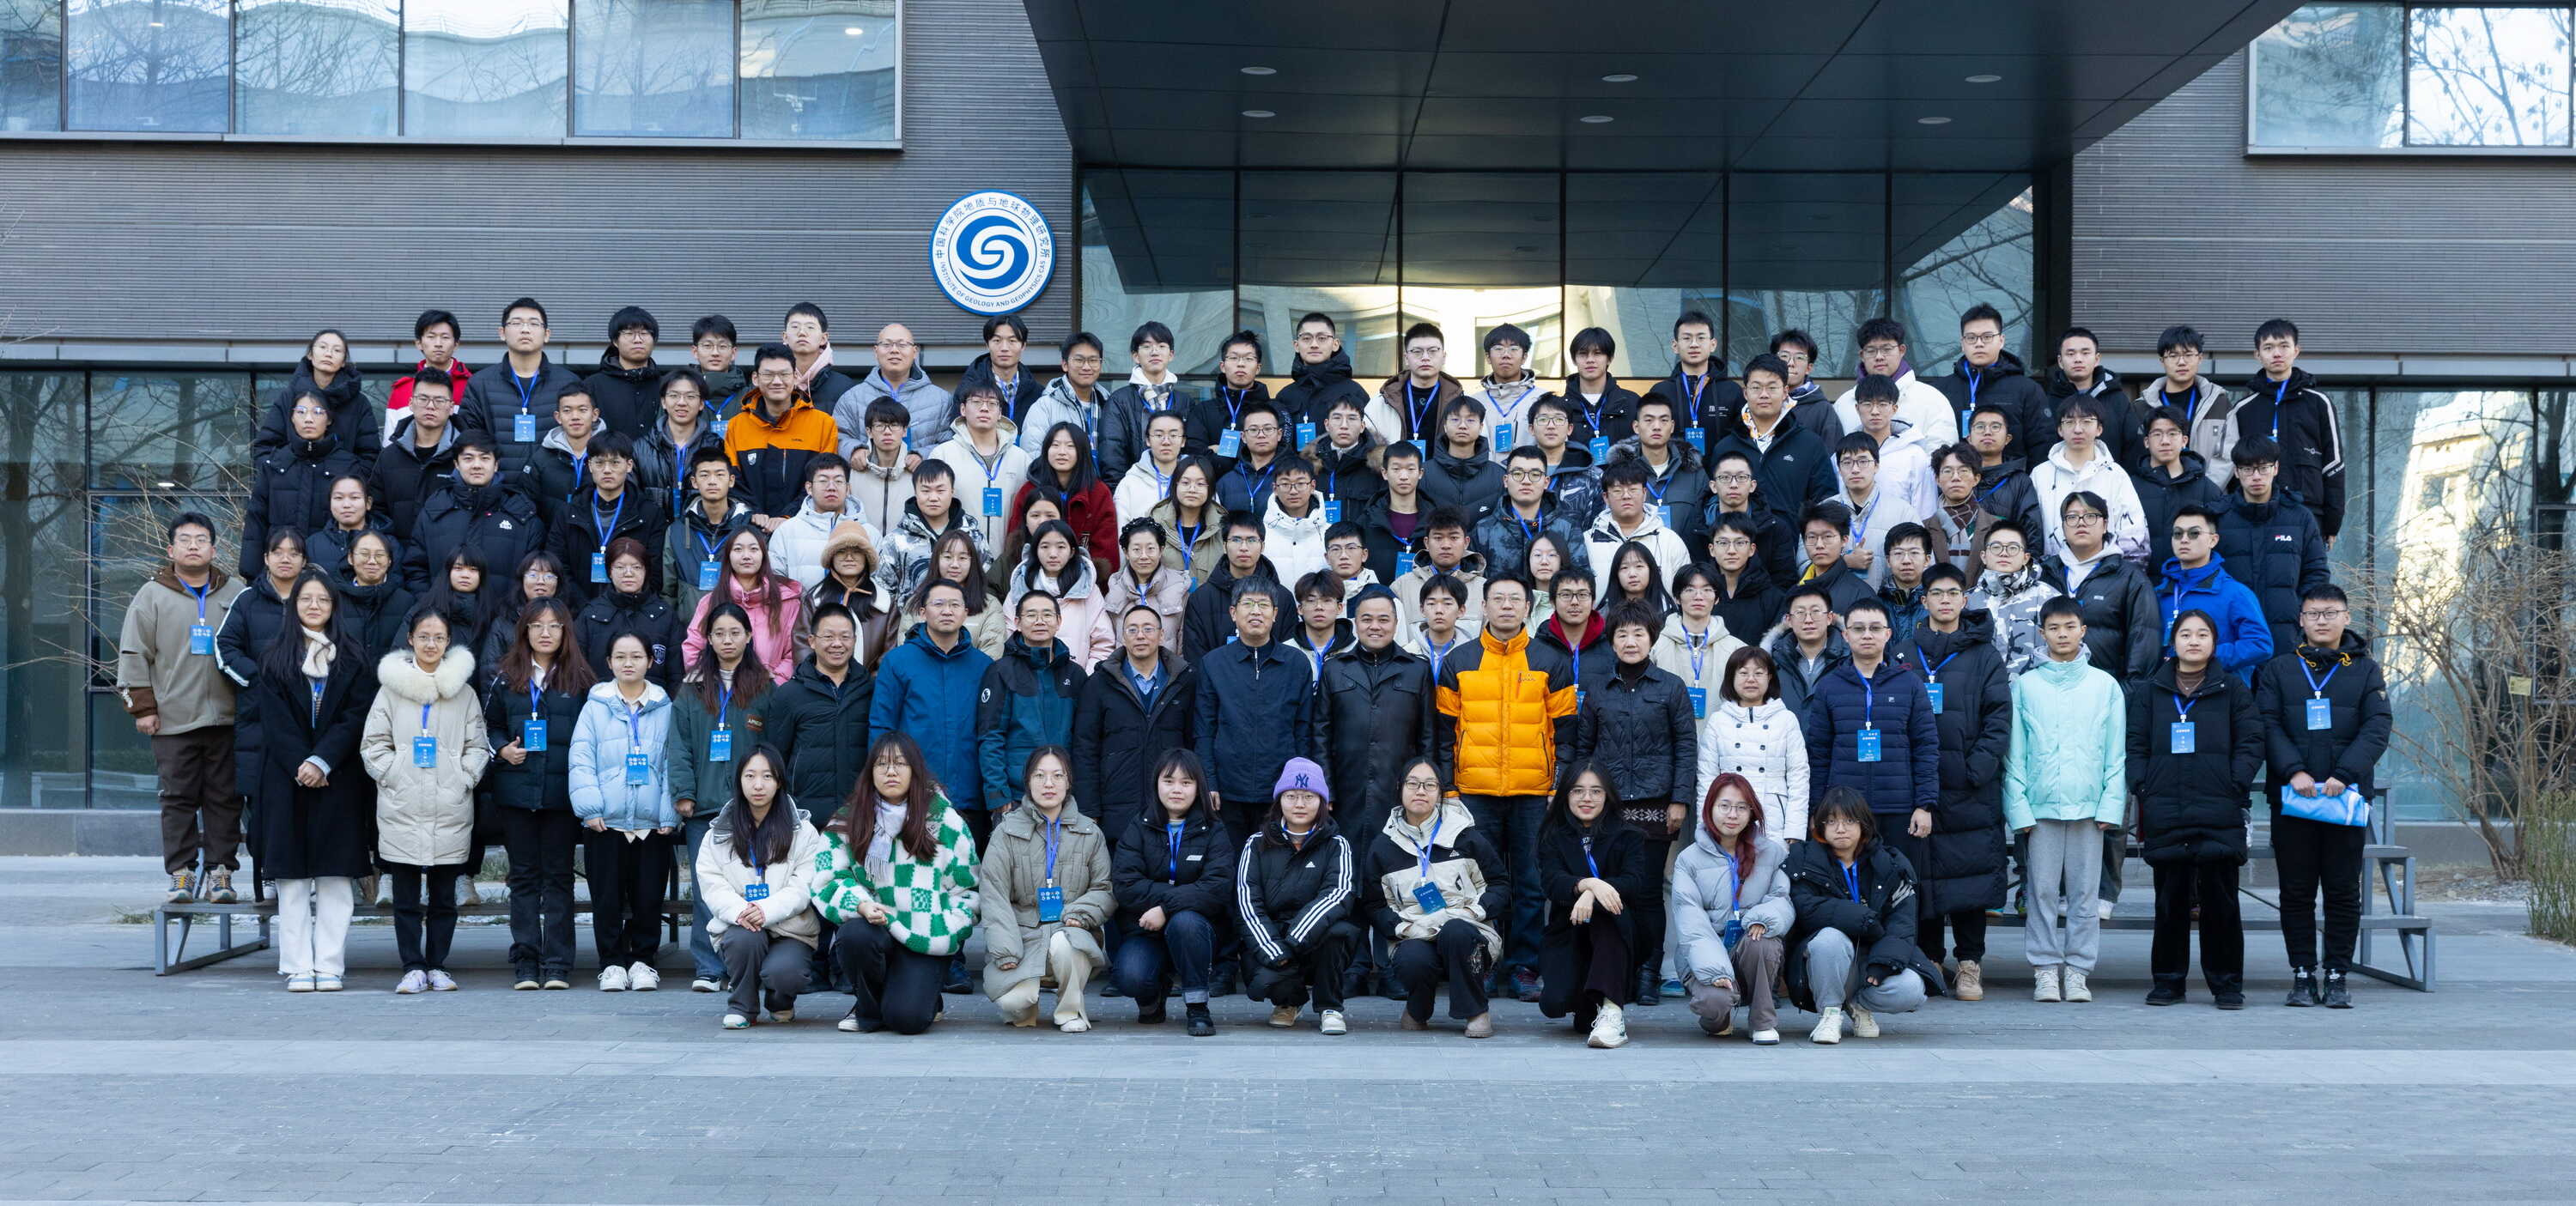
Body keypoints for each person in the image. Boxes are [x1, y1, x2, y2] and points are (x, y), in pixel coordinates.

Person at [1432, 575, 1577, 1002]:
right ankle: (1483, 962)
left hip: (1533, 792)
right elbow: (1443, 734)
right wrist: (1449, 790)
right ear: (1484, 606)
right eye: (1499, 599)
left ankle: (1524, 966)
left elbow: (1567, 733)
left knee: (1531, 882)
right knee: (1479, 882)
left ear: (1528, 607)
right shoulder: (1459, 661)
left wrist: (1558, 787)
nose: (1507, 606)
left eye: (1516, 599)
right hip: (1474, 791)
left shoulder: (1550, 660)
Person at [2253, 585, 2391, 1009]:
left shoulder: (2366, 670)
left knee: (2342, 891)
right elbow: (2267, 724)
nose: (2322, 620)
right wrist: (2293, 771)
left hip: (2344, 798)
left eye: (2331, 612)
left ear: (2346, 618)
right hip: (2293, 797)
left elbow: (2377, 727)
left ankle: (2336, 975)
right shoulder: (2279, 669)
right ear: (2301, 619)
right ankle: (2301, 974)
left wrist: (2344, 775)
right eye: (2313, 613)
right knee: (2296, 892)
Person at [246, 571, 375, 991]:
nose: (315, 606)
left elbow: (356, 716)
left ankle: (330, 965)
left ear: (334, 607)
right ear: (294, 605)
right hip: (286, 778)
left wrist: (323, 760)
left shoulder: (353, 657)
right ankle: (298, 965)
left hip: (339, 777)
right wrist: (302, 762)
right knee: (293, 879)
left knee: (336, 877)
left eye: (323, 599)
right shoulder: (274, 656)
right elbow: (274, 720)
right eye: (306, 599)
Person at [1887, 562, 2011, 999]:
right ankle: (1931, 960)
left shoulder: (1985, 654)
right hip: (1917, 787)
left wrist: (1976, 769)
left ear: (1964, 599)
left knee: (1969, 876)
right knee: (1922, 876)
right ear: (1923, 601)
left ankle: (1970, 962)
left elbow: (1999, 718)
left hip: (1970, 787)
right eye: (1936, 593)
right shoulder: (1903, 653)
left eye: (1952, 593)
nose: (1945, 600)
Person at [2130, 609, 2261, 1009]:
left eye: (2202, 634)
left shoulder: (2233, 689)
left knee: (2221, 902)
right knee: (2170, 901)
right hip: (2166, 807)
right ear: (2173, 642)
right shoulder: (2150, 690)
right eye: (2185, 634)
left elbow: (2251, 741)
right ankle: (2169, 982)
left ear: (2214, 642)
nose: (2193, 641)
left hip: (2219, 807)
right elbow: (2135, 744)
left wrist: (2234, 782)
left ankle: (2227, 985)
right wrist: (2144, 786)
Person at [119, 512, 250, 905]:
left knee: (226, 799)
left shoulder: (237, 593)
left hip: (228, 717)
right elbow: (133, 653)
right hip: (173, 719)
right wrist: (143, 709)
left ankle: (221, 872)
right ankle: (182, 873)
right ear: (170, 549)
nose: (194, 546)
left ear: (214, 549)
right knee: (177, 799)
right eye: (185, 539)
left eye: (201, 539)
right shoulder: (151, 595)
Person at [1570, 603, 1697, 1004]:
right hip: (1607, 807)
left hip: (1656, 805)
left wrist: (1679, 800)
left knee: (1647, 892)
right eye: (1622, 634)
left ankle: (1648, 973)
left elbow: (1685, 746)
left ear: (1651, 639)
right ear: (1611, 641)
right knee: (1611, 888)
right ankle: (1616, 970)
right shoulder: (1598, 688)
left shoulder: (1671, 687)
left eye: (1638, 634)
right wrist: (1581, 796)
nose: (1630, 641)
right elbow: (1584, 748)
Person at [2002, 597, 2128, 1003]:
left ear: (2083, 630)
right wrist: (2019, 808)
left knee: (2084, 894)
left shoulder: (2104, 686)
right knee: (2039, 892)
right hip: (2041, 808)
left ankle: (2077, 970)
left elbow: (2115, 754)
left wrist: (2111, 805)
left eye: (2070, 626)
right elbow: (2015, 754)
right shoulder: (2026, 686)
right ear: (2042, 633)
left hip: (2089, 808)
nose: (2062, 634)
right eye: (2054, 628)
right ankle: (2044, 969)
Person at [361, 604, 491, 993]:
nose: (431, 644)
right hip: (402, 802)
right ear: (410, 640)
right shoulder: (391, 689)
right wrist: (393, 774)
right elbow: (373, 744)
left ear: (448, 642)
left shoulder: (463, 692)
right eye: (423, 637)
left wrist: (464, 777)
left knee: (444, 897)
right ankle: (412, 966)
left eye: (438, 637)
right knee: (405, 897)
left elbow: (478, 745)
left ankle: (437, 964)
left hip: (450, 803)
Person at [817, 732, 980, 1034]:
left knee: (907, 1020)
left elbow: (967, 888)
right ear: (870, 772)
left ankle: (922, 996)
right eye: (882, 764)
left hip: (925, 934)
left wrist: (949, 928)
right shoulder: (848, 819)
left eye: (900, 764)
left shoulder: (945, 820)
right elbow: (828, 878)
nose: (891, 772)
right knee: (854, 935)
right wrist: (860, 904)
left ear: (915, 770)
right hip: (876, 926)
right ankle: (867, 1008)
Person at [483, 597, 592, 990]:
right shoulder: (505, 676)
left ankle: (559, 963)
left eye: (554, 626)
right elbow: (489, 725)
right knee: (524, 877)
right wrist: (502, 749)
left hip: (561, 795)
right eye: (537, 625)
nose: (545, 633)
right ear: (524, 631)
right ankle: (526, 961)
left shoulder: (581, 680)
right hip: (516, 793)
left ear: (565, 632)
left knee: (559, 878)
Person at [663, 601, 771, 992]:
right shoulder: (692, 689)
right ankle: (708, 967)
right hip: (704, 805)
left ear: (749, 636)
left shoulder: (764, 687)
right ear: (708, 638)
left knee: (752, 882)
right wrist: (684, 792)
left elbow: (774, 746)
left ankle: (745, 963)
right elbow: (679, 745)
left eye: (735, 633)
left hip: (752, 805)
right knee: (706, 887)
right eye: (719, 633)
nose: (727, 640)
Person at [1364, 757, 1506, 1037]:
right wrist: (1403, 928)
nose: (1421, 791)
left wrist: (1473, 913)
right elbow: (1374, 904)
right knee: (1412, 958)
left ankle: (1476, 1011)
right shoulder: (1383, 846)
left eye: (1430, 785)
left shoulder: (1465, 836)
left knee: (1456, 932)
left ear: (1440, 792)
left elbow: (1500, 885)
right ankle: (1418, 1007)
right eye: (1413, 784)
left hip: (1468, 927)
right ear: (1400, 788)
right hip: (1414, 931)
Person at [568, 631, 679, 991]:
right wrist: (590, 808)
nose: (628, 663)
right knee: (606, 898)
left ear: (650, 661)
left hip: (652, 822)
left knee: (649, 896)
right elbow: (581, 759)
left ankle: (644, 961)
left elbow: (673, 762)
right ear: (609, 662)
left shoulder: (665, 707)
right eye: (620, 657)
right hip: (606, 821)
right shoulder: (595, 707)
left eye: (636, 656)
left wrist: (669, 812)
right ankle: (612, 963)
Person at [1784, 789, 1941, 1043]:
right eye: (1831, 821)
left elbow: (1902, 923)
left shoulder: (1890, 862)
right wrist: (1864, 919)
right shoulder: (1803, 859)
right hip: (1823, 962)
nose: (1840, 829)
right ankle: (1830, 1013)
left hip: (1871, 957)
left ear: (1864, 824)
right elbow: (1806, 908)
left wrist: (1884, 963)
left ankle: (1857, 1005)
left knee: (1912, 989)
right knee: (1829, 939)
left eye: (1849, 821)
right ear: (1820, 826)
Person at [1802, 596, 1940, 876]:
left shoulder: (1910, 684)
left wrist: (1924, 805)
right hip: (1844, 811)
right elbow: (1818, 752)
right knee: (1848, 885)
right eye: (1858, 628)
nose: (1867, 635)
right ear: (1846, 635)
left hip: (1899, 808)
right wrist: (1817, 809)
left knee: (1901, 883)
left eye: (1875, 628)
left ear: (1888, 634)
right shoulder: (1829, 686)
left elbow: (1926, 747)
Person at [981, 747, 1114, 1030]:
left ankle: (1070, 1012)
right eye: (1039, 776)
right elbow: (993, 894)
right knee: (1014, 1004)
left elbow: (1104, 888)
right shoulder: (1006, 832)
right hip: (1022, 932)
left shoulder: (1089, 832)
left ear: (1069, 781)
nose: (1049, 784)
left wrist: (1080, 913)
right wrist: (1005, 950)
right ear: (1028, 782)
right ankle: (1026, 1004)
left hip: (1070, 926)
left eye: (1058, 775)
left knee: (1066, 944)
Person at [699, 745, 829, 1029]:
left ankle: (780, 1001)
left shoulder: (803, 831)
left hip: (791, 928)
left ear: (779, 781)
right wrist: (742, 911)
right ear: (739, 780)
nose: (758, 785)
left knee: (785, 973)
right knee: (743, 940)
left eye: (767, 776)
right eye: (750, 776)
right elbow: (712, 883)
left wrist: (765, 910)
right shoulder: (719, 833)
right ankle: (742, 1007)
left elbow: (804, 884)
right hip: (740, 923)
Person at [1109, 749, 1234, 1034]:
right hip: (1144, 929)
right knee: (1130, 977)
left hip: (1196, 930)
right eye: (1169, 781)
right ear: (1156, 784)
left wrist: (1166, 908)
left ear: (1198, 787)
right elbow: (1126, 884)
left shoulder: (1213, 829)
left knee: (1185, 922)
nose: (1177, 789)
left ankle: (1197, 1007)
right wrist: (1172, 901)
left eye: (1186, 782)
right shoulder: (1139, 825)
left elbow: (1216, 886)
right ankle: (1153, 998)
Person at [1235, 757, 1361, 1034]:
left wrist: (1297, 937)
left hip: (1314, 938)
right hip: (1274, 937)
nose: (1300, 804)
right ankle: (1289, 1002)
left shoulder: (1337, 845)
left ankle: (1330, 1007)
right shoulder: (1256, 844)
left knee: (1339, 932)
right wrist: (1275, 950)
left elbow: (1338, 894)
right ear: (1279, 800)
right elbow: (1247, 904)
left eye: (1309, 796)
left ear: (1323, 802)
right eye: (1291, 796)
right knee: (1261, 982)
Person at [1671, 774, 1795, 1043]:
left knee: (1764, 941)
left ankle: (1762, 1022)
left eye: (1741, 807)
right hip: (1704, 952)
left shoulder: (1772, 853)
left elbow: (1781, 898)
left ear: (1752, 812)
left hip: (1747, 948)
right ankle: (1719, 1018)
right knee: (1715, 1002)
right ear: (1710, 808)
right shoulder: (1688, 859)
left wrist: (1763, 918)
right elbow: (1691, 922)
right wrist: (1714, 970)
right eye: (1724, 806)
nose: (1732, 815)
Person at [1534, 762, 1649, 1048]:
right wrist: (1588, 884)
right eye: (1578, 791)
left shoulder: (1629, 835)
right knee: (1554, 1003)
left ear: (1607, 795)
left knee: (1607, 914)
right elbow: (1551, 882)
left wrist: (1593, 894)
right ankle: (1590, 1004)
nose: (1587, 798)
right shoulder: (1553, 835)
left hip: (1619, 932)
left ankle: (1612, 1010)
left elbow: (1634, 882)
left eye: (1596, 791)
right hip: (1570, 930)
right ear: (1566, 795)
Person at [871, 580, 995, 843]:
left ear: (966, 612)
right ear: (922, 612)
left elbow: (991, 731)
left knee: (969, 867)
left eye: (955, 605)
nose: (947, 611)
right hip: (913, 793)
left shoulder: (983, 665)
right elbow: (882, 726)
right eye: (938, 604)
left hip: (970, 795)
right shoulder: (898, 661)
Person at [1072, 600, 1196, 842]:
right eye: (1132, 629)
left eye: (1148, 629)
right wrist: (1088, 808)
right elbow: (1085, 749)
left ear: (1161, 635)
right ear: (1122, 637)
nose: (1140, 636)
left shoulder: (1184, 681)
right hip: (1116, 805)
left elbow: (1195, 742)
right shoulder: (1099, 684)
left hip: (1171, 805)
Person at [2217, 436, 2332, 657]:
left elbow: (2316, 572)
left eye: (2263, 468)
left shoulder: (2299, 517)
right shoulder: (2219, 518)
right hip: (2232, 633)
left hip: (2287, 633)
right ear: (2237, 472)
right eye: (2248, 469)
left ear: (2276, 468)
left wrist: (2299, 611)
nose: (2256, 476)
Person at [979, 590, 1090, 815]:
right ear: (1017, 623)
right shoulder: (1001, 671)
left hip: (1065, 793)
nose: (1040, 621)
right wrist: (997, 793)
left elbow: (1085, 740)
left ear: (1059, 622)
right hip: (1016, 795)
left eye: (1047, 615)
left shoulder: (1075, 674)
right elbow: (991, 736)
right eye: (1031, 615)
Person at [2237, 318, 2346, 545]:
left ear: (2296, 351)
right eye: (2268, 347)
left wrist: (2332, 521)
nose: (2277, 353)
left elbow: (2334, 463)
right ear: (2257, 355)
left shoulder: (2319, 402)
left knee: (2310, 569)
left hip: (2309, 511)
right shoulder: (2243, 409)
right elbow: (2234, 466)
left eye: (2284, 346)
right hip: (2255, 512)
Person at [458, 299, 581, 483]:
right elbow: (470, 441)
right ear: (502, 333)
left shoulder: (569, 383)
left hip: (554, 487)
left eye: (534, 323)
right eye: (516, 323)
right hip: (499, 488)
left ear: (547, 334)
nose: (525, 329)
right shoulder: (480, 383)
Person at [1705, 355, 1836, 529]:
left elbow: (1825, 502)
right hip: (1737, 542)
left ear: (1785, 392)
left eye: (1772, 387)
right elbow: (1712, 504)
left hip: (1792, 543)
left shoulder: (1810, 444)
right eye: (1756, 387)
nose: (1764, 395)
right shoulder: (1725, 447)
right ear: (1745, 393)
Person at [2044, 490, 2163, 681]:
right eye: (2072, 517)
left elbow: (2144, 642)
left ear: (2105, 524)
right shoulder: (2046, 573)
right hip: (2050, 687)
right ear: (2063, 526)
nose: (2081, 523)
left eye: (2090, 516)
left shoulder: (2130, 578)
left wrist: (2127, 691)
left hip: (2108, 690)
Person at [244, 392, 363, 580]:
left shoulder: (347, 465)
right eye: (301, 411)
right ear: (292, 417)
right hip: (282, 566)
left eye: (317, 412)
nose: (308, 419)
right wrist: (251, 572)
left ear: (329, 419)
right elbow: (256, 519)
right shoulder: (275, 463)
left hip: (332, 570)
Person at [725, 342, 842, 531]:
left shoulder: (823, 424)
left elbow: (822, 480)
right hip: (752, 530)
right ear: (755, 378)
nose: (777, 381)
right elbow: (733, 480)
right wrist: (753, 513)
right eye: (768, 374)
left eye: (784, 374)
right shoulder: (737, 426)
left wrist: (788, 516)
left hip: (806, 528)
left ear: (795, 376)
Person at [403, 438, 541, 593]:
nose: (476, 465)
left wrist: (512, 609)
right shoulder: (434, 510)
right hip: (440, 607)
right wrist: (430, 604)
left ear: (496, 465)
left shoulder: (522, 514)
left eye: (485, 458)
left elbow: (535, 575)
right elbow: (415, 569)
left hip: (505, 608)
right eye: (468, 458)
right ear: (456, 464)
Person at [548, 429, 669, 604]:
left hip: (631, 609)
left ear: (629, 465)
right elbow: (558, 567)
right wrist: (586, 608)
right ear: (590, 466)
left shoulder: (649, 514)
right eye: (599, 463)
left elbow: (654, 572)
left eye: (615, 463)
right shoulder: (568, 513)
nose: (607, 470)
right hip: (577, 610)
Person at [2157, 506, 2275, 678]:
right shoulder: (2159, 594)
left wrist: (2205, 656)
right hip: (2169, 687)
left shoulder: (2235, 593)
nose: (2184, 539)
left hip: (2220, 689)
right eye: (2177, 533)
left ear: (2213, 540)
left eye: (2194, 533)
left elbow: (2260, 645)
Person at [2029, 396, 2148, 564]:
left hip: (2108, 573)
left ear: (2099, 429)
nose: (2078, 429)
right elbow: (2030, 529)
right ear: (2060, 430)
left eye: (2086, 421)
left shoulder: (2115, 474)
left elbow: (2134, 532)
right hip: (2051, 572)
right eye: (2069, 422)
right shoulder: (2040, 474)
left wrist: (2126, 575)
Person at [680, 528, 802, 683]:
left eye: (753, 549)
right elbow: (693, 649)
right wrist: (718, 684)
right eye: (738, 549)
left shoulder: (786, 602)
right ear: (728, 556)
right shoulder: (710, 602)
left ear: (764, 555)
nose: (746, 556)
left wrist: (773, 685)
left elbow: (794, 653)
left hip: (771, 690)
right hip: (720, 691)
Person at [927, 382, 1035, 551]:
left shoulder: (1021, 459)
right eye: (977, 402)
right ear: (963, 409)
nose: (984, 408)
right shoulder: (943, 455)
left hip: (1008, 559)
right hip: (959, 557)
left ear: (1000, 413)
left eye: (992, 403)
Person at [1927, 304, 2043, 455]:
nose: (1979, 343)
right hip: (1955, 470)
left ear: (2001, 340)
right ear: (1962, 344)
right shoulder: (1939, 391)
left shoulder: (2027, 389)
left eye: (1987, 337)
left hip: (2010, 470)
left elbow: (2041, 444)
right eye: (1971, 338)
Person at [573, 539, 685, 690]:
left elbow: (676, 674)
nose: (628, 573)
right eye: (620, 567)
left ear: (646, 571)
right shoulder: (591, 614)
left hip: (655, 702)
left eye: (636, 567)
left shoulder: (665, 615)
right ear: (609, 572)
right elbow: (577, 669)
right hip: (600, 702)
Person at [2138, 324, 2242, 489]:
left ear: (2200, 358)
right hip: (2156, 494)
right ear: (2162, 360)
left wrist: (2204, 491)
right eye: (2173, 355)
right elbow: (2138, 456)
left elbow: (2227, 455)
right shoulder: (2142, 406)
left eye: (2188, 355)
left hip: (2207, 496)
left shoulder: (2219, 403)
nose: (2181, 362)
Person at [1603, 394, 1710, 549]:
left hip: (1686, 560)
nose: (1657, 426)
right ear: (1636, 427)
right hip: (1635, 560)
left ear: (1672, 426)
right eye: (1649, 420)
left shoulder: (1694, 472)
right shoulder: (1619, 473)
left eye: (1664, 420)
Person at [1836, 317, 1957, 451]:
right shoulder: (1844, 404)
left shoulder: (1931, 399)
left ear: (1902, 350)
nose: (1879, 357)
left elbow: (1942, 452)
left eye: (1886, 349)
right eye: (1871, 351)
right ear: (1862, 355)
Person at [254, 328, 377, 460]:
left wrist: (347, 472)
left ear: (343, 362)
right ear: (310, 355)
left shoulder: (358, 402)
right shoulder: (289, 397)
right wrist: (286, 470)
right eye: (323, 347)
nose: (328, 354)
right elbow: (265, 448)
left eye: (337, 350)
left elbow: (370, 455)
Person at [2132, 406, 2229, 572]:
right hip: (2143, 581)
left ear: (2184, 441)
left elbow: (2220, 541)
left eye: (2172, 433)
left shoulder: (2206, 488)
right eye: (2157, 434)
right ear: (2146, 442)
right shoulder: (2131, 487)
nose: (2165, 441)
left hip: (2192, 581)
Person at [377, 367, 463, 547]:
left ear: (451, 407)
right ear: (411, 403)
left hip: (449, 556)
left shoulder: (464, 457)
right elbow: (377, 512)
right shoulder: (389, 457)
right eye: (423, 399)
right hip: (398, 555)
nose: (430, 406)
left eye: (439, 400)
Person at [1015, 421, 1120, 570]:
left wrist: (1084, 577)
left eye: (1070, 446)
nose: (1062, 452)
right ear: (1046, 450)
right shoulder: (1029, 490)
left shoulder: (1099, 493)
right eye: (1055, 445)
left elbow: (1105, 551)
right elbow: (1017, 539)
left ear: (1082, 451)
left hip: (1084, 576)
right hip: (1034, 574)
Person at [1097, 321, 1194, 482]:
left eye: (1161, 346)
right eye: (1147, 346)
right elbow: (1112, 453)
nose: (1155, 352)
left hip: (1179, 489)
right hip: (1134, 489)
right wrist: (1122, 491)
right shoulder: (1120, 401)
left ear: (1171, 355)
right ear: (1135, 356)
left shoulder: (1185, 401)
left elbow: (1192, 450)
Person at [835, 322, 951, 453]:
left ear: (915, 352)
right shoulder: (852, 398)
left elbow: (950, 444)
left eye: (902, 345)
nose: (894, 350)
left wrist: (921, 456)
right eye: (886, 344)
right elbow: (839, 437)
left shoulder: (942, 400)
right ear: (876, 351)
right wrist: (855, 451)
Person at [667, 446, 755, 619]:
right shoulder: (677, 530)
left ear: (731, 480)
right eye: (705, 475)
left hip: (737, 626)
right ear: (694, 482)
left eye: (720, 475)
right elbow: (668, 590)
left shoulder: (749, 528)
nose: (712, 481)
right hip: (688, 624)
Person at [1644, 311, 1746, 453]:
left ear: (1713, 344)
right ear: (1675, 346)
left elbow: (1743, 438)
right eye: (1687, 338)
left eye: (1701, 338)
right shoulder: (1661, 391)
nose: (1694, 344)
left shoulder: (1732, 391)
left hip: (1720, 467)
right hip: (1673, 467)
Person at [1844, 374, 1938, 525]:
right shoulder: (1844, 455)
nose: (1875, 411)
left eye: (1882, 404)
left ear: (1894, 408)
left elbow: (1926, 511)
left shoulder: (1915, 455)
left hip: (1903, 537)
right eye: (1867, 404)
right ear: (1857, 408)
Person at [1971, 519, 2061, 677]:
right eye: (1996, 547)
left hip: (2033, 690)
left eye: (2013, 548)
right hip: (1980, 690)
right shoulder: (1967, 601)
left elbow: (2065, 651)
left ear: (2026, 557)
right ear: (1984, 556)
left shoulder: (2049, 597)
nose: (2004, 553)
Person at [636, 369, 727, 524]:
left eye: (690, 396)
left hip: (700, 532)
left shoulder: (716, 447)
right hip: (653, 532)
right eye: (674, 396)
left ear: (701, 404)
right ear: (663, 402)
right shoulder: (640, 448)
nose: (681, 402)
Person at [798, 522, 894, 664]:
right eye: (841, 551)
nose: (849, 557)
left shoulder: (885, 602)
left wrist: (870, 678)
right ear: (831, 557)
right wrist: (821, 677)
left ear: (867, 557)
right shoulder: (814, 601)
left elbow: (890, 654)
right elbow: (802, 647)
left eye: (856, 551)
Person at [767, 454, 866, 592]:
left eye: (838, 481)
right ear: (809, 488)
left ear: (848, 488)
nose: (831, 487)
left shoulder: (867, 532)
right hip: (801, 606)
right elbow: (776, 582)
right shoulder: (787, 531)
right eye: (823, 481)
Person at [2044, 326, 2137, 469]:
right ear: (2060, 361)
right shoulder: (2047, 401)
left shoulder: (2118, 400)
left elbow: (2133, 446)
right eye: (2071, 354)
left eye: (2085, 353)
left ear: (2097, 359)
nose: (2078, 359)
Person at [1274, 312, 1373, 444]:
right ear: (1296, 345)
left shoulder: (1355, 391)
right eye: (1306, 338)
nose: (1314, 344)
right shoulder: (1285, 396)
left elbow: (1367, 442)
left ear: (1335, 344)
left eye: (1322, 338)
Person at [1389, 506, 1486, 639]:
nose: (1446, 545)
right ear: (1426, 543)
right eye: (1438, 538)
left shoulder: (1484, 589)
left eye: (1454, 538)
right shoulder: (1401, 587)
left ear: (1466, 542)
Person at [1098, 518, 1188, 658]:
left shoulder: (1179, 588)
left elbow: (1184, 643)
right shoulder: (1114, 591)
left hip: (1169, 669)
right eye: (1136, 550)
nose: (1144, 556)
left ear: (1161, 550)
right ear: (1126, 552)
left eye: (1150, 549)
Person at [1367, 322, 1465, 447]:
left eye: (1433, 351)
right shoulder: (1382, 402)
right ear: (1406, 358)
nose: (1425, 357)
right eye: (1417, 351)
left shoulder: (1460, 400)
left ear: (1444, 357)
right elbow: (1366, 446)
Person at [1764, 584, 1848, 719]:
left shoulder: (1850, 659)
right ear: (1789, 620)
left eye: (1816, 611)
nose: (1808, 620)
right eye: (1800, 613)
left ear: (1829, 618)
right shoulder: (1771, 662)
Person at [386, 309, 471, 443]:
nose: (438, 344)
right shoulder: (401, 390)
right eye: (431, 337)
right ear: (419, 343)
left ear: (456, 344)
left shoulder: (471, 387)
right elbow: (390, 442)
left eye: (445, 337)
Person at [1018, 333, 1109, 453]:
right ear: (1065, 365)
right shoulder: (1044, 406)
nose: (1086, 367)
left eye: (1093, 360)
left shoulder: (1110, 405)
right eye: (1079, 360)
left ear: (1100, 365)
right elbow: (1032, 453)